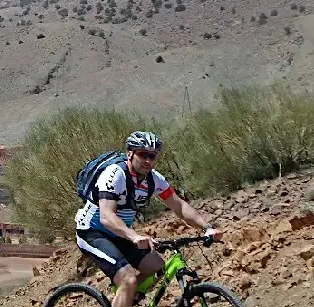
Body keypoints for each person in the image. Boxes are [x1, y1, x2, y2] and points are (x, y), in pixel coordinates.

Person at [74, 131, 223, 307]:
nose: (148, 161)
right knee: (128, 279)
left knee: (158, 266)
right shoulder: (115, 174)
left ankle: (128, 298)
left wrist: (207, 227)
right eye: (143, 154)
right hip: (92, 232)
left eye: (152, 156)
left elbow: (179, 205)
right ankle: (127, 288)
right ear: (130, 153)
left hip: (120, 234)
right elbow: (107, 217)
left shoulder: (154, 179)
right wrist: (134, 236)